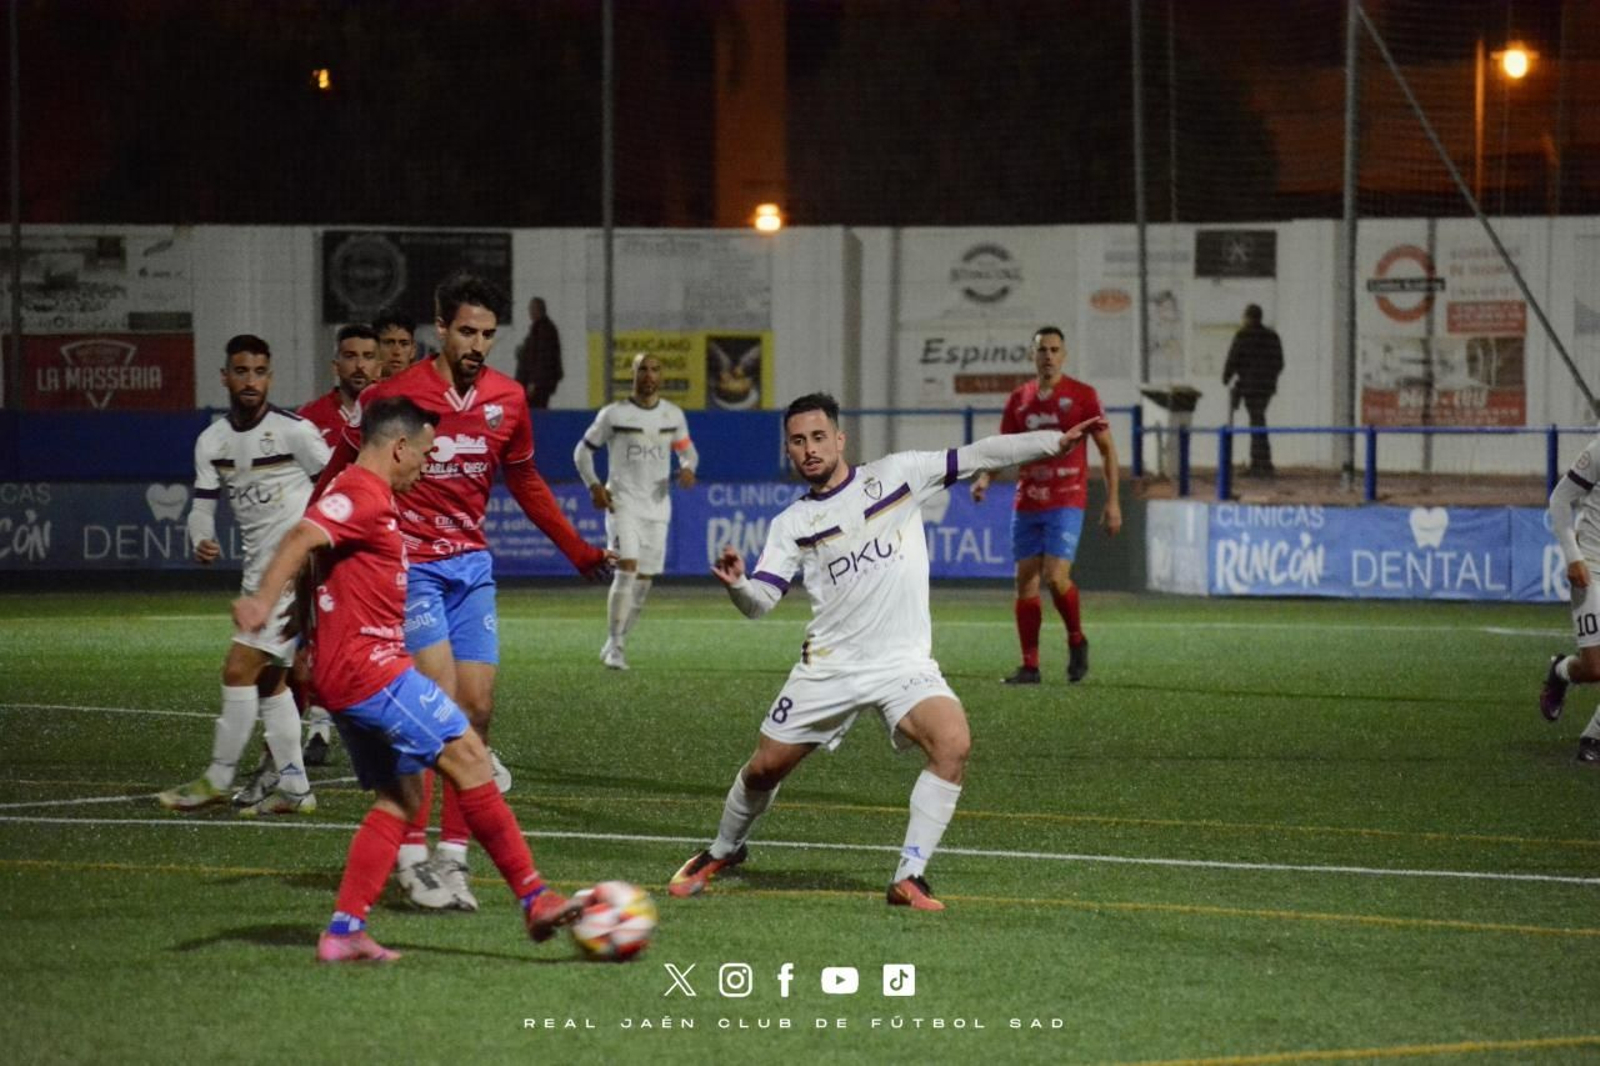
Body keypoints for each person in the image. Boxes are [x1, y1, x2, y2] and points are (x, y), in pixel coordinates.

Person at [668, 392, 1105, 911]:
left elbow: (981, 453)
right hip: (831, 667)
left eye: (818, 437)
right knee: (765, 769)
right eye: (798, 441)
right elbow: (761, 602)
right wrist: (738, 585)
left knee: (953, 743)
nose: (809, 449)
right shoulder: (792, 524)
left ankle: (910, 876)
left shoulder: (898, 475)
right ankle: (723, 848)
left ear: (840, 439)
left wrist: (1052, 443)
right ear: (789, 449)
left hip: (903, 664)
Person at [233, 396, 582, 962]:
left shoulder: (361, 495)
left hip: (346, 673)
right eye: (424, 452)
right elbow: (299, 538)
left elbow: (319, 560)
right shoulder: (361, 494)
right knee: (469, 755)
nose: (428, 465)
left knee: (402, 796)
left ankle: (344, 932)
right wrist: (260, 603)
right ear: (398, 447)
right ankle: (535, 899)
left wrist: (302, 625)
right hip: (370, 671)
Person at [321, 271, 611, 911]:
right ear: (441, 326)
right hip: (413, 566)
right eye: (467, 331)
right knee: (438, 704)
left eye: (488, 334)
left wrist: (578, 549)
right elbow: (348, 478)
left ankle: (453, 858)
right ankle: (410, 854)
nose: (478, 344)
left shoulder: (507, 398)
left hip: (470, 567)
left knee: (477, 706)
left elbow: (528, 480)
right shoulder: (397, 396)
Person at [157, 334, 330, 817]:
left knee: (238, 667)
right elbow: (202, 505)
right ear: (225, 377)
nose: (250, 380)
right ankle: (295, 784)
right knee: (269, 683)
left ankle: (218, 775)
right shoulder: (212, 441)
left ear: (270, 377)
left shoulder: (296, 432)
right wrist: (201, 538)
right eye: (241, 371)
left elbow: (338, 490)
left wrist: (320, 555)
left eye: (259, 371)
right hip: (257, 576)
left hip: (295, 574)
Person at [971, 326, 1121, 686]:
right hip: (1028, 500)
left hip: (1067, 498)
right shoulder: (1020, 399)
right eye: (1042, 350)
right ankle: (1030, 666)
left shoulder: (1083, 396)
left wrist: (1113, 500)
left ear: (1064, 355)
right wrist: (985, 478)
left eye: (1054, 350)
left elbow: (1106, 449)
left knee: (1055, 578)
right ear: (1032, 355)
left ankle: (1076, 639)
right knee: (1025, 581)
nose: (1048, 356)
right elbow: (1003, 448)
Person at [574, 352, 698, 670]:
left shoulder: (672, 415)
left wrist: (687, 467)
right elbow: (582, 452)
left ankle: (616, 639)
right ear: (633, 373)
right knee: (627, 567)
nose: (649, 375)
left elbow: (688, 452)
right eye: (643, 369)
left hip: (657, 507)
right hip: (622, 503)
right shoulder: (613, 414)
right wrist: (593, 485)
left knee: (643, 582)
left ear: (662, 376)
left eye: (655, 369)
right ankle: (616, 647)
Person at [293, 324, 382, 766]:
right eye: (351, 355)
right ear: (336, 364)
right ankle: (319, 727)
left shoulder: (388, 415)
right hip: (328, 548)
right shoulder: (308, 419)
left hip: (376, 549)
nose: (360, 364)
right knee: (320, 636)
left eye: (368, 355)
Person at [1540, 432, 1600, 763]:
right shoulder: (1599, 450)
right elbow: (1560, 499)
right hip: (1592, 565)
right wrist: (1572, 556)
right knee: (1594, 669)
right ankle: (1560, 671)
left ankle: (1594, 736)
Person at [1221, 303, 1284, 477]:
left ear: (1248, 317)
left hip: (1249, 387)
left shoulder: (1243, 336)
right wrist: (1269, 377)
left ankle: (1261, 464)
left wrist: (1226, 377)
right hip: (1266, 387)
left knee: (1257, 421)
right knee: (1258, 419)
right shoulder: (1272, 336)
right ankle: (1261, 462)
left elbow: (1233, 359)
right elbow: (1279, 363)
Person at [513, 296, 562, 408]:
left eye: (531, 309)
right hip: (537, 382)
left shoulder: (544, 329)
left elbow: (542, 358)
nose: (529, 312)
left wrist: (534, 382)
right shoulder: (541, 328)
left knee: (535, 410)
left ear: (538, 310)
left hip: (537, 384)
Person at [372, 308, 417, 380]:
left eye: (404, 344)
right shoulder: (364, 390)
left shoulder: (425, 389)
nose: (397, 352)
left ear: (413, 350)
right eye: (389, 343)